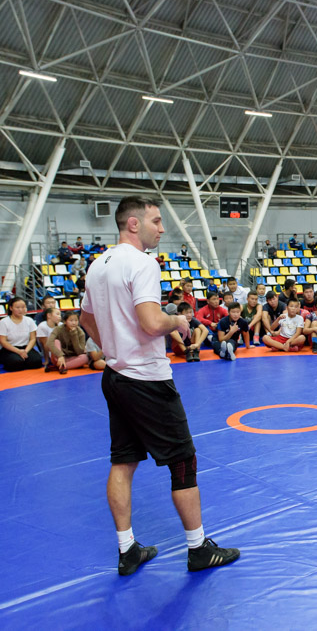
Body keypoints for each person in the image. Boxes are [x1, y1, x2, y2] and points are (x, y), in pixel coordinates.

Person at [79, 195, 239, 576]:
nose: (162, 229)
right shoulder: (143, 263)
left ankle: (127, 549)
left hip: (115, 377)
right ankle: (198, 549)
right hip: (147, 379)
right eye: (156, 221)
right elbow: (152, 323)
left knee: (123, 460)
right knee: (183, 461)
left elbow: (86, 320)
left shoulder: (97, 266)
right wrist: (177, 322)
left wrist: (114, 347)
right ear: (133, 223)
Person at [0, 297, 42, 371]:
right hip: (10, 348)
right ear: (11, 308)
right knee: (16, 363)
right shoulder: (3, 322)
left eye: (23, 307)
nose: (21, 310)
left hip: (25, 347)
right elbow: (3, 341)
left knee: (36, 362)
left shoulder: (29, 320)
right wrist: (18, 351)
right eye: (17, 307)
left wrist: (25, 351)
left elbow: (33, 339)